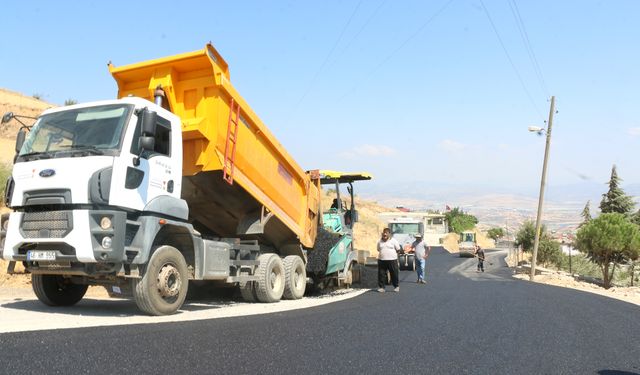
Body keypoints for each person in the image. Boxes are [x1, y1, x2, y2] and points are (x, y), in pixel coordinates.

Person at [377, 227, 401, 292]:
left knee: (394, 274)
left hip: (392, 260)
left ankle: (396, 286)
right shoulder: (379, 241)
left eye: (386, 234)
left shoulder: (394, 241)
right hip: (382, 260)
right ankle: (382, 287)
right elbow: (378, 249)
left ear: (389, 234)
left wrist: (397, 258)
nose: (385, 235)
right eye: (384, 234)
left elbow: (398, 250)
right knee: (381, 274)